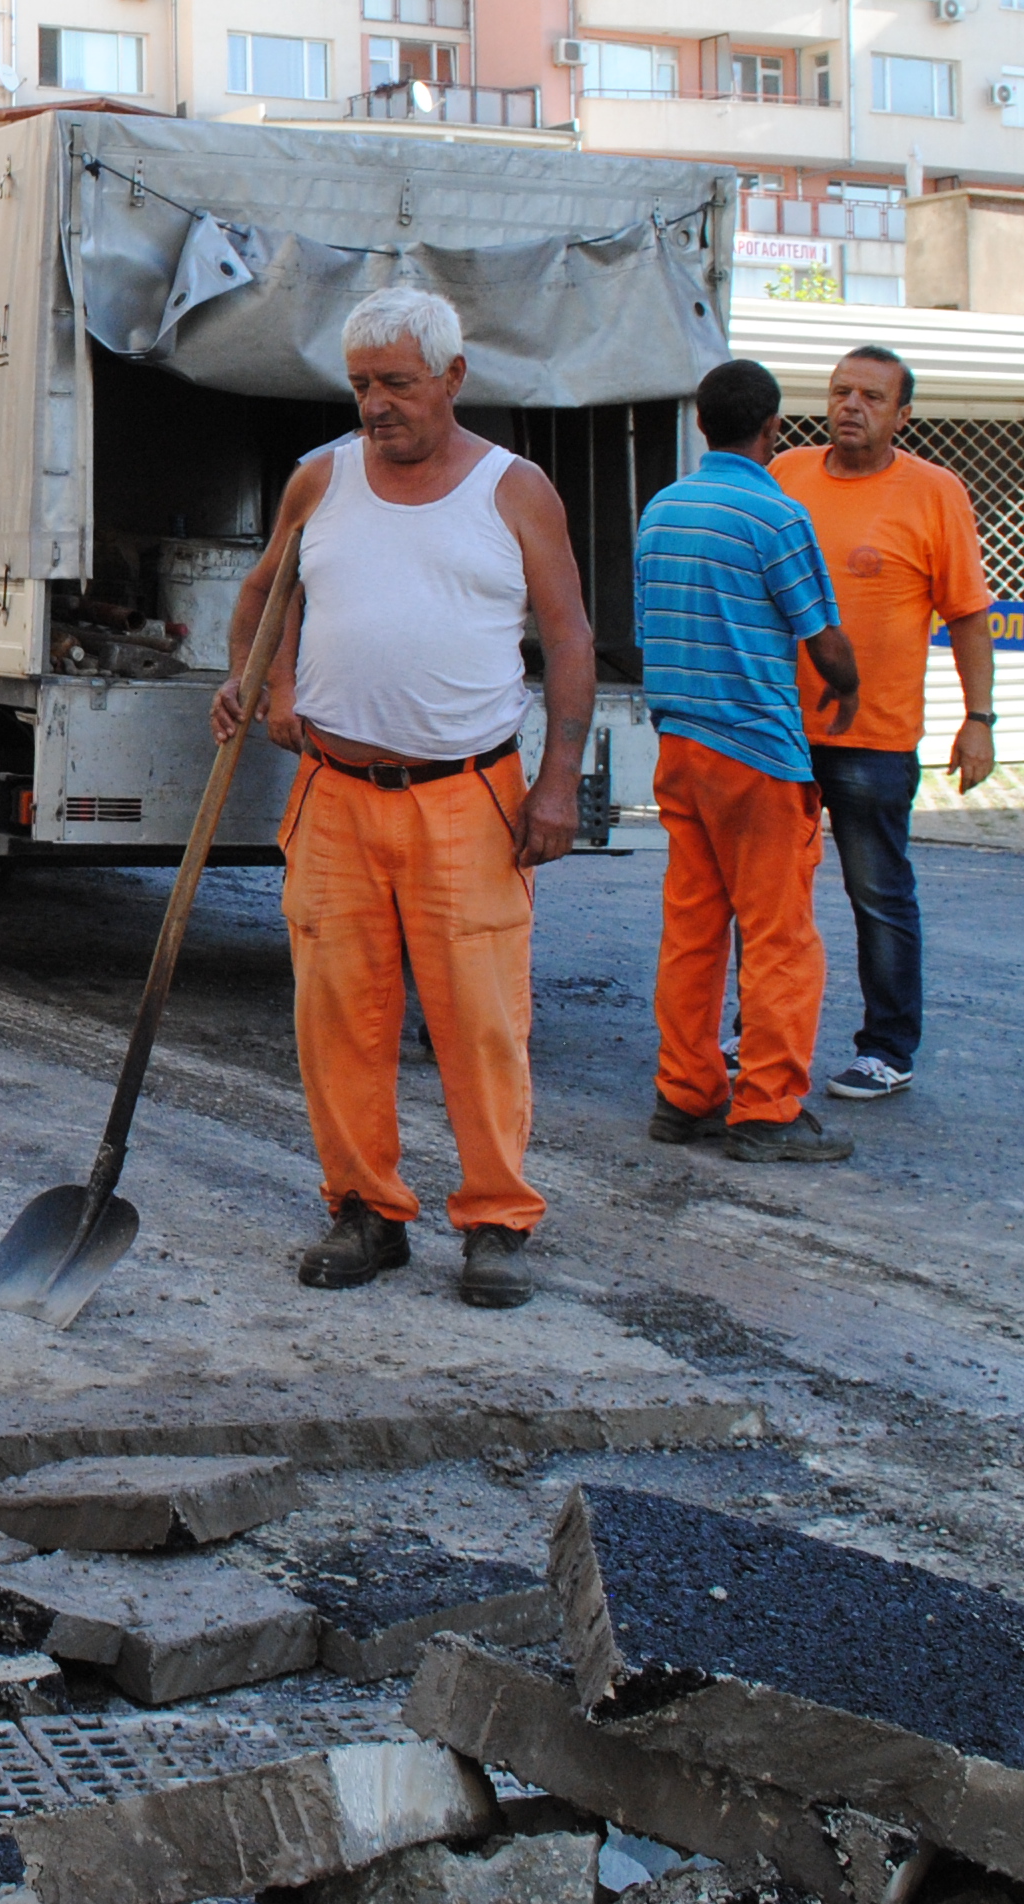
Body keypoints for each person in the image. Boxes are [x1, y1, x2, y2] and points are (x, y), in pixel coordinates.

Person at [209, 285, 600, 1312]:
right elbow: (262, 594)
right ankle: (364, 1211)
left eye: (394, 383)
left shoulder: (514, 491)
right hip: (334, 793)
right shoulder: (318, 481)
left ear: (451, 379)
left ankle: (495, 1221)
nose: (374, 405)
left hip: (467, 796)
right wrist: (261, 681)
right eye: (359, 386)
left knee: (479, 1020)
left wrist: (556, 779)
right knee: (336, 1015)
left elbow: (567, 639)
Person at [633, 359, 865, 1165]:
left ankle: (684, 1094)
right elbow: (824, 640)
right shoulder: (777, 517)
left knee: (693, 928)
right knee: (779, 937)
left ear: (703, 424)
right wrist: (850, 684)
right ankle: (768, 1108)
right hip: (757, 752)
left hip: (679, 744)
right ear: (772, 430)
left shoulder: (662, 510)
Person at [775, 345, 994, 1102]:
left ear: (903, 414)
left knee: (878, 895)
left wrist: (980, 719)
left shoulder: (935, 492)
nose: (850, 406)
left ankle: (887, 1048)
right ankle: (764, 1031)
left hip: (876, 740)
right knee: (771, 894)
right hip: (781, 732)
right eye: (840, 391)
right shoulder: (788, 475)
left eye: (871, 396)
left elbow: (968, 616)